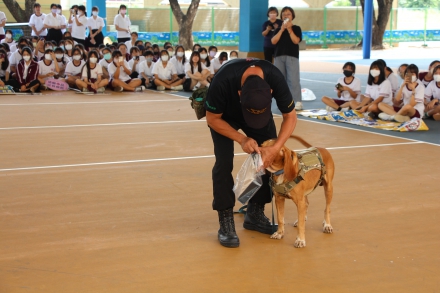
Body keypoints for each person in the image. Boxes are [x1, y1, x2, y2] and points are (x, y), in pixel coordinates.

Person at [205, 58, 297, 248]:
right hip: (224, 117)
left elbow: (290, 116)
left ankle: (255, 212)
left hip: (259, 113)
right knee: (224, 163)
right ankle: (225, 221)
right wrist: (241, 139)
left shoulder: (275, 78)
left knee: (267, 158)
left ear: (270, 92)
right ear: (239, 93)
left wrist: (275, 147)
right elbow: (212, 119)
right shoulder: (223, 81)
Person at [271, 6, 303, 111]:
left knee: (293, 80)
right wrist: (281, 29)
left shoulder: (296, 28)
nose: (286, 15)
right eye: (284, 14)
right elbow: (273, 41)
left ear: (292, 16)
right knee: (280, 80)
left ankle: (297, 101)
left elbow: (295, 41)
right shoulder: (278, 29)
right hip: (279, 57)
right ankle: (284, 102)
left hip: (292, 57)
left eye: (288, 14)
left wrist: (289, 28)